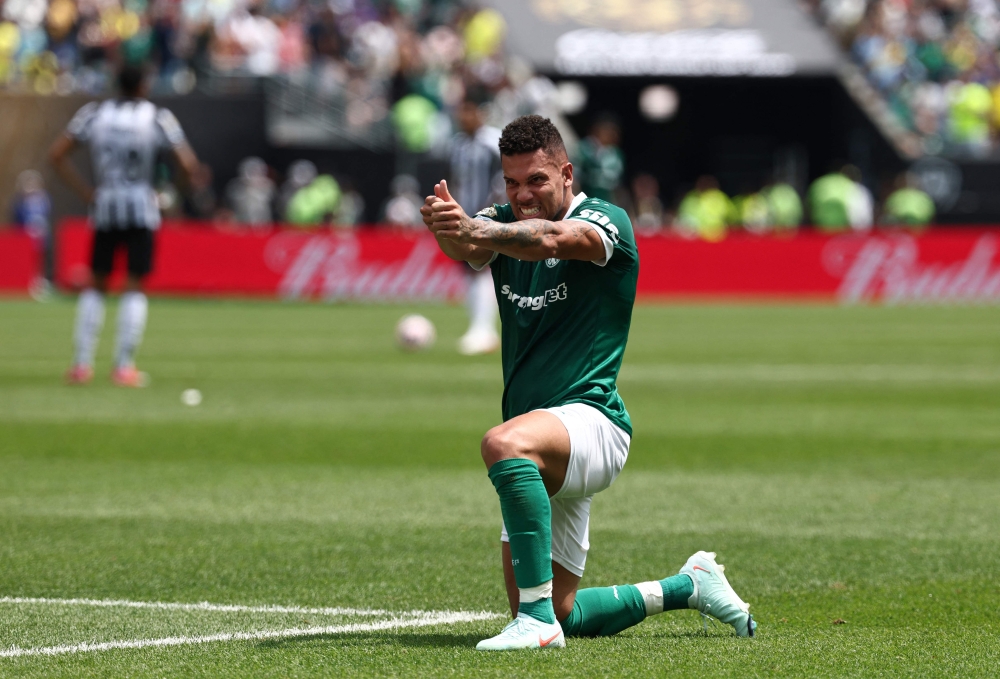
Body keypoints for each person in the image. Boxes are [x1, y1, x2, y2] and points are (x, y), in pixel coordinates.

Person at [421, 114, 756, 651]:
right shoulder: (501, 219)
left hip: (593, 422)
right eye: (511, 182)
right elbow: (471, 249)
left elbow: (553, 239)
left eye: (536, 180)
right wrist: (451, 228)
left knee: (502, 445)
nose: (522, 194)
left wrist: (479, 230)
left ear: (567, 173)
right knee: (564, 612)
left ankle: (532, 623)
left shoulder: (607, 220)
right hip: (544, 434)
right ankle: (688, 585)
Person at [50, 63, 203, 387]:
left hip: (105, 207)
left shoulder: (94, 114)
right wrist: (170, 194)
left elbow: (57, 155)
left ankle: (81, 365)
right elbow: (189, 165)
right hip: (141, 208)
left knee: (96, 284)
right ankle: (123, 366)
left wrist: (86, 192)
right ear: (144, 86)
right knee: (134, 285)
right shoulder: (157, 117)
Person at [449, 89, 502, 355]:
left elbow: (504, 178)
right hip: (464, 214)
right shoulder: (457, 144)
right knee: (469, 268)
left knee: (482, 267)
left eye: (468, 110)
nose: (463, 116)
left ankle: (485, 330)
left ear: (480, 113)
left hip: (488, 214)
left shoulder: (493, 142)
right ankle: (477, 327)